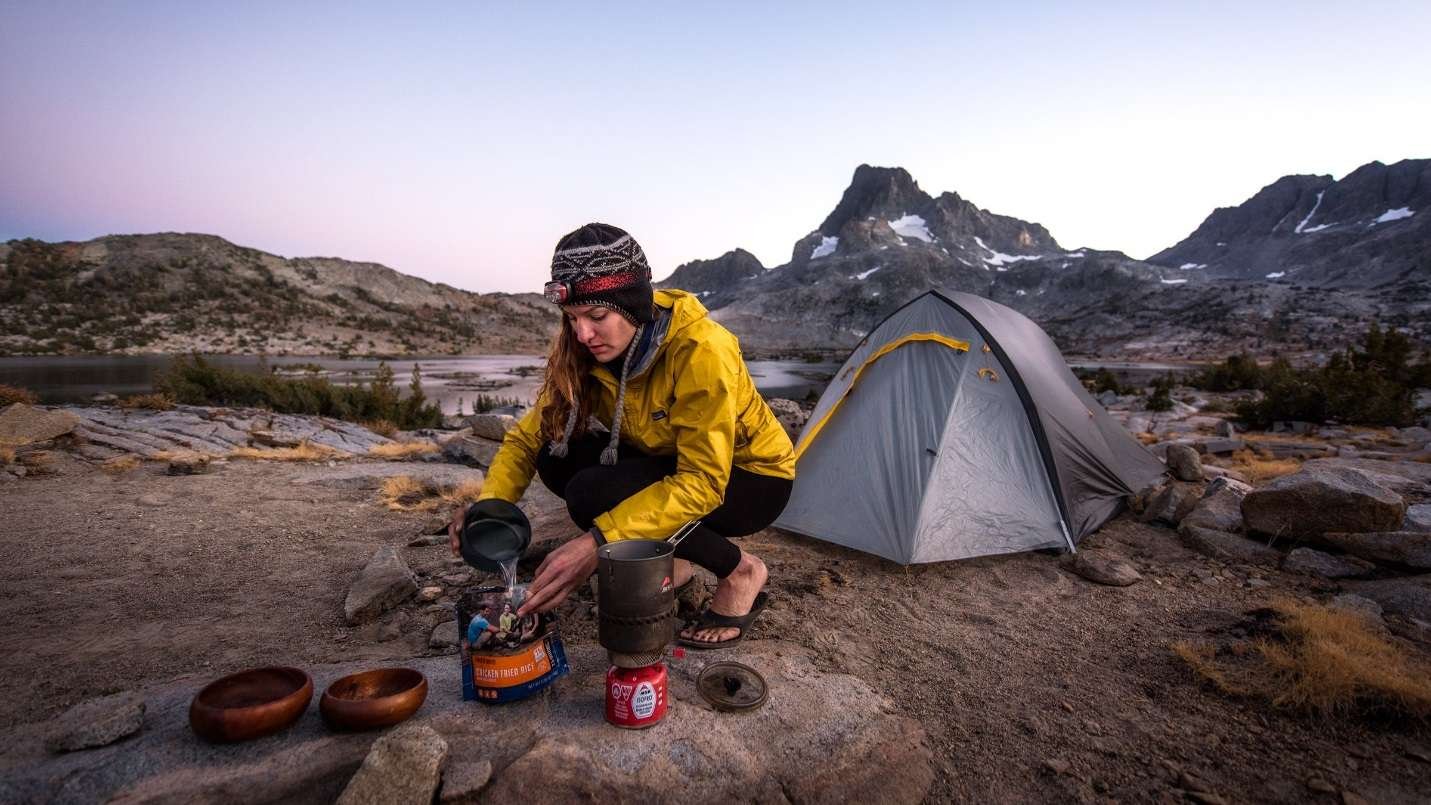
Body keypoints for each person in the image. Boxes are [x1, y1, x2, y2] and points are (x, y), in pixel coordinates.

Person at [449, 223, 796, 648]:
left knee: (594, 496)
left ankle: (741, 571)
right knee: (557, 457)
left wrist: (597, 542)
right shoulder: (587, 349)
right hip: (669, 459)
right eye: (572, 318)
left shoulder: (702, 349)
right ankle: (678, 564)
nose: (582, 335)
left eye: (596, 317)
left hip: (749, 478)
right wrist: (491, 507)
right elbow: (526, 437)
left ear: (632, 304)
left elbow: (702, 482)